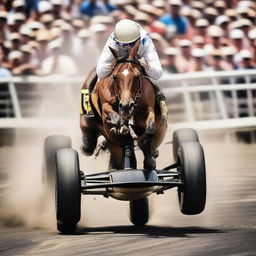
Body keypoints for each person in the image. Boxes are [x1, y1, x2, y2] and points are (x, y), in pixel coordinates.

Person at [95, 18, 166, 112]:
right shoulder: (112, 40)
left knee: (156, 83)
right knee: (98, 82)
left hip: (139, 64)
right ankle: (93, 111)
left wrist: (146, 65)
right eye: (123, 44)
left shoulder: (145, 40)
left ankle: (162, 112)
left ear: (138, 40)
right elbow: (100, 72)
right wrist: (111, 66)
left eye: (131, 43)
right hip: (118, 66)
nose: (127, 47)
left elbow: (158, 74)